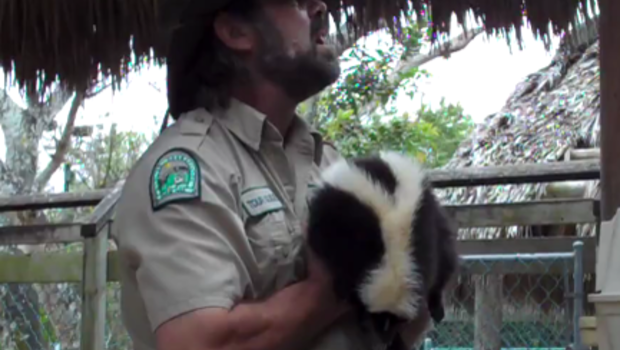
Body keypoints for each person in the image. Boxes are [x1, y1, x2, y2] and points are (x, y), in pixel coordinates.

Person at [112, 0, 432, 350]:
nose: (320, 7)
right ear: (236, 32)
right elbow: (201, 343)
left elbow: (396, 328)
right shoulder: (189, 169)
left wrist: (418, 277)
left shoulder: (328, 164)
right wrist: (338, 283)